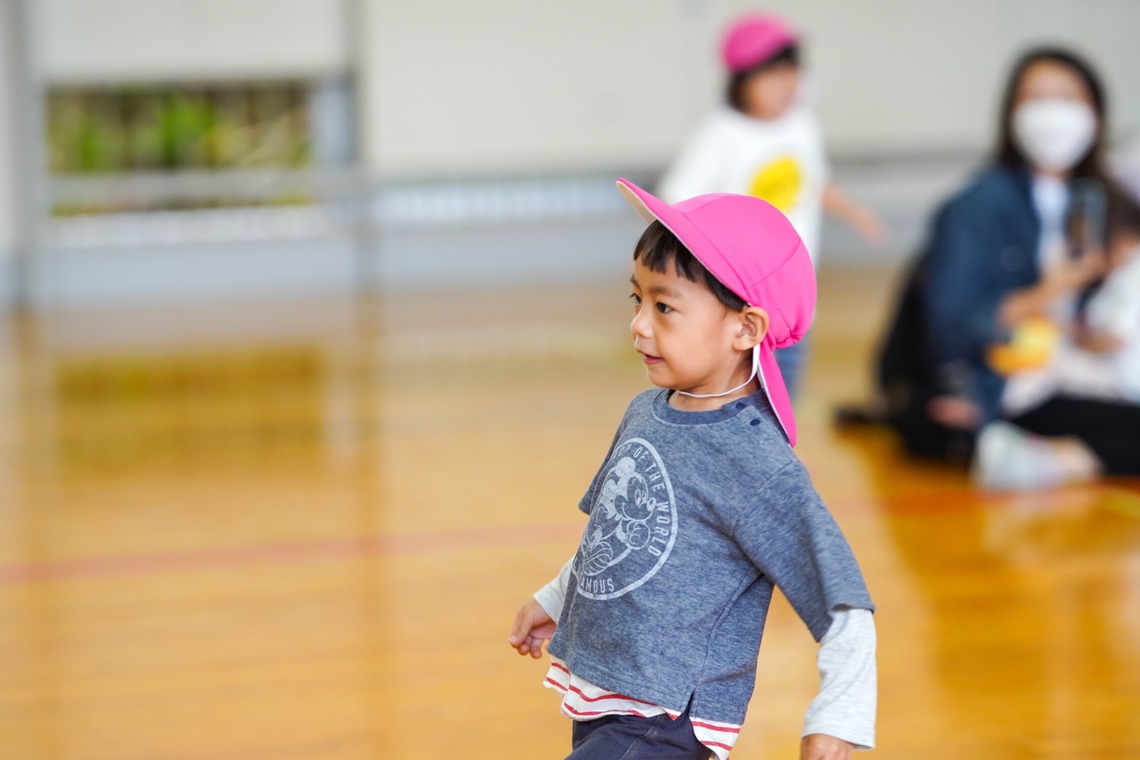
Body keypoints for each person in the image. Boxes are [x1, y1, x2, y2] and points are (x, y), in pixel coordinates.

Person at [508, 179, 876, 760]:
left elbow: (841, 594)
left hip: (667, 718)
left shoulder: (756, 463)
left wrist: (839, 712)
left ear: (745, 328)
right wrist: (558, 596)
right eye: (638, 300)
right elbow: (618, 535)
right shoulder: (646, 411)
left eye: (665, 306)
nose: (639, 325)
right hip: (611, 691)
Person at [915, 46, 1140, 489]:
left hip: (1088, 370)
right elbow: (951, 327)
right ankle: (1040, 457)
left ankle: (1048, 458)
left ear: (1095, 113)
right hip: (1017, 381)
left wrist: (1092, 334)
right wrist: (1047, 292)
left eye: (1068, 98)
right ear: (1011, 112)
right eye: (1036, 98)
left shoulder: (1107, 201)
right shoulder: (977, 205)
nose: (1053, 114)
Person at [656, 12, 885, 401]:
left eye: (792, 72)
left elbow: (812, 183)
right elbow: (676, 198)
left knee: (786, 389)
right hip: (741, 295)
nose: (787, 84)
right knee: (742, 390)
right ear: (742, 81)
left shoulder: (802, 126)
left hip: (794, 291)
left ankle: (775, 452)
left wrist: (854, 212)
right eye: (772, 74)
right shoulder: (722, 134)